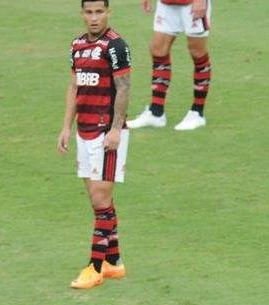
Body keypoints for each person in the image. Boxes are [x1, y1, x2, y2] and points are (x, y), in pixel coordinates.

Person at [58, 0, 133, 290]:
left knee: (101, 200)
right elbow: (74, 86)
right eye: (88, 12)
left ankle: (95, 267)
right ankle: (114, 262)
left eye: (99, 12)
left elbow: (124, 87)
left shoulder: (116, 46)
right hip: (84, 131)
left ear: (108, 13)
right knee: (97, 200)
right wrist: (66, 126)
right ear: (82, 14)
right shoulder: (76, 46)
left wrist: (115, 129)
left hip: (106, 134)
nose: (93, 18)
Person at [127, 0, 212, 131]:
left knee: (197, 52)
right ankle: (156, 113)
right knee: (158, 49)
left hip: (192, 4)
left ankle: (197, 113)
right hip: (167, 3)